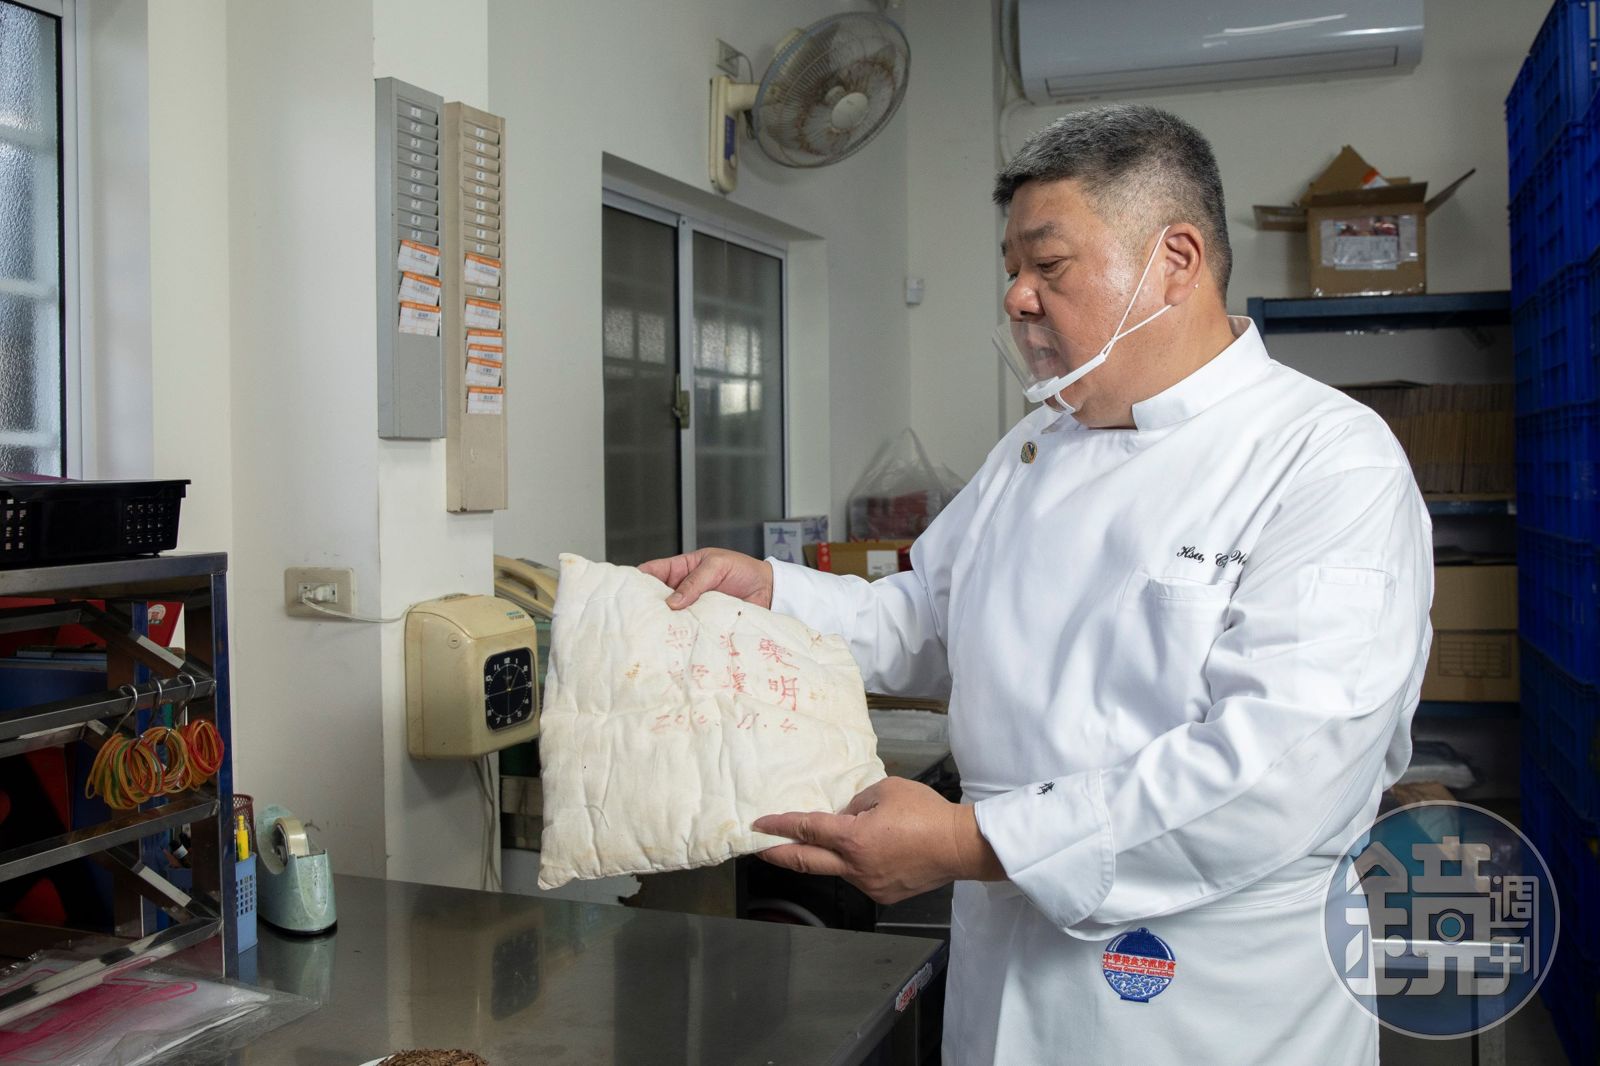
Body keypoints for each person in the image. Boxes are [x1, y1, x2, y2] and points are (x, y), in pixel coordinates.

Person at [642, 104, 1431, 1065]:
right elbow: (927, 617)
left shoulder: (1325, 460)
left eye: (1048, 265)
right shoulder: (1035, 447)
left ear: (1176, 261)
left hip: (1206, 998)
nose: (1017, 297)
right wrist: (772, 593)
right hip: (1007, 972)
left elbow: (1282, 773)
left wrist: (970, 845)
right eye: (1011, 269)